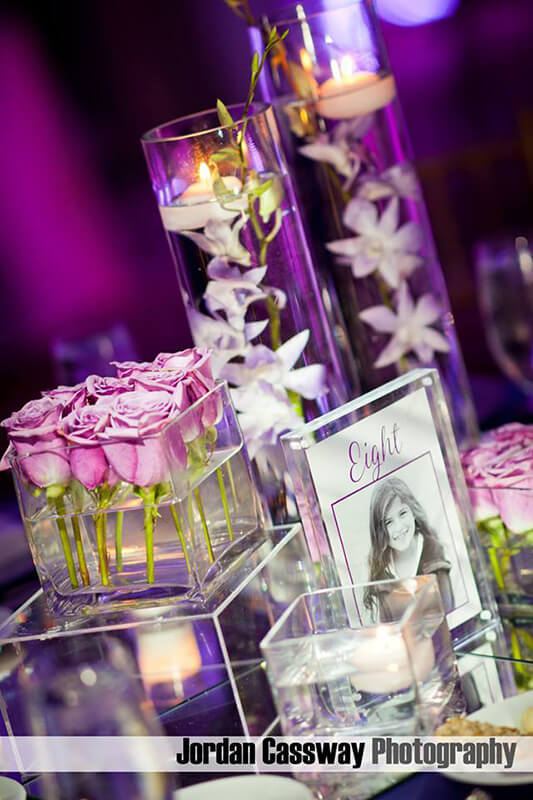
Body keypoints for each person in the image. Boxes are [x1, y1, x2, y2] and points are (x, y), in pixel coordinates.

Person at [363, 476, 454, 619]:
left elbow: (449, 612)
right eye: (388, 522)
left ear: (413, 511)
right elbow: (388, 626)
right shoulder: (382, 572)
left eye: (402, 513)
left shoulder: (434, 553)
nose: (398, 527)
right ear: (379, 531)